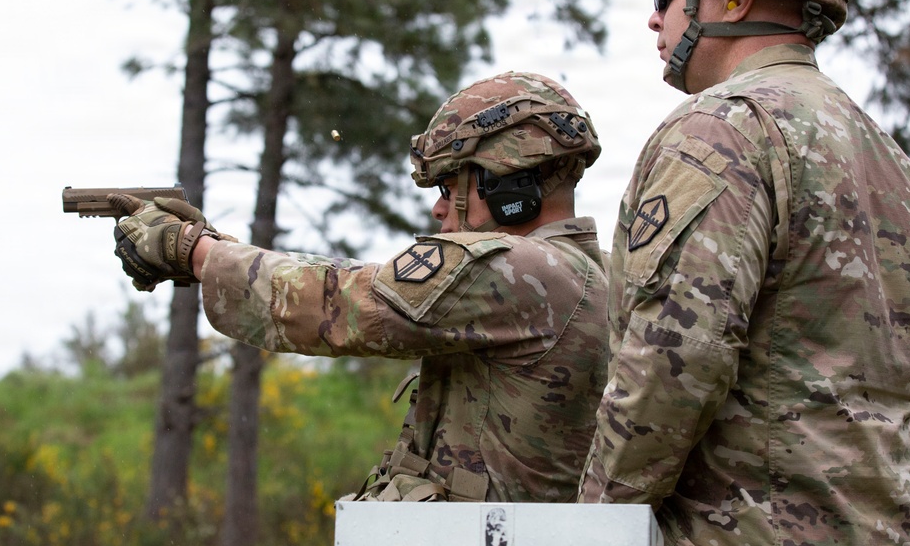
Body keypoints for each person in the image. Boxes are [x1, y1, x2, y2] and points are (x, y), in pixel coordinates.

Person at [577, 0, 910, 546]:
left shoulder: (723, 129)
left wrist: (592, 528)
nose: (654, 17)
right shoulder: (888, 157)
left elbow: (672, 363)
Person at [111, 71, 609, 503]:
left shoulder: (519, 269)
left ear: (507, 181)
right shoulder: (594, 272)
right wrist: (215, 250)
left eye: (450, 185)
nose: (439, 209)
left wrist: (192, 251)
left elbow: (342, 302)